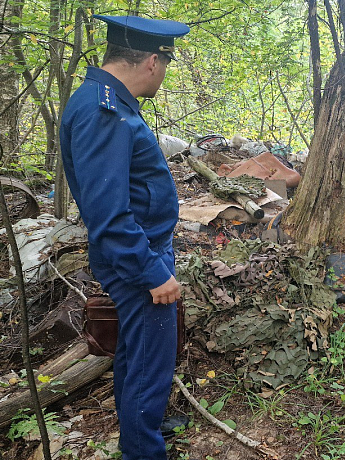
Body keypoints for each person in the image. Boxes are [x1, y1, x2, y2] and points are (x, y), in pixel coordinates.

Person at [59, 14, 189, 460]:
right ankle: (142, 448)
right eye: (166, 63)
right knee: (150, 363)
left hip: (140, 253)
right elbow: (108, 214)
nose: (164, 72)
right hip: (139, 261)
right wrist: (154, 272)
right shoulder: (104, 112)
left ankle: (143, 423)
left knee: (137, 353)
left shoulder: (105, 99)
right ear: (152, 61)